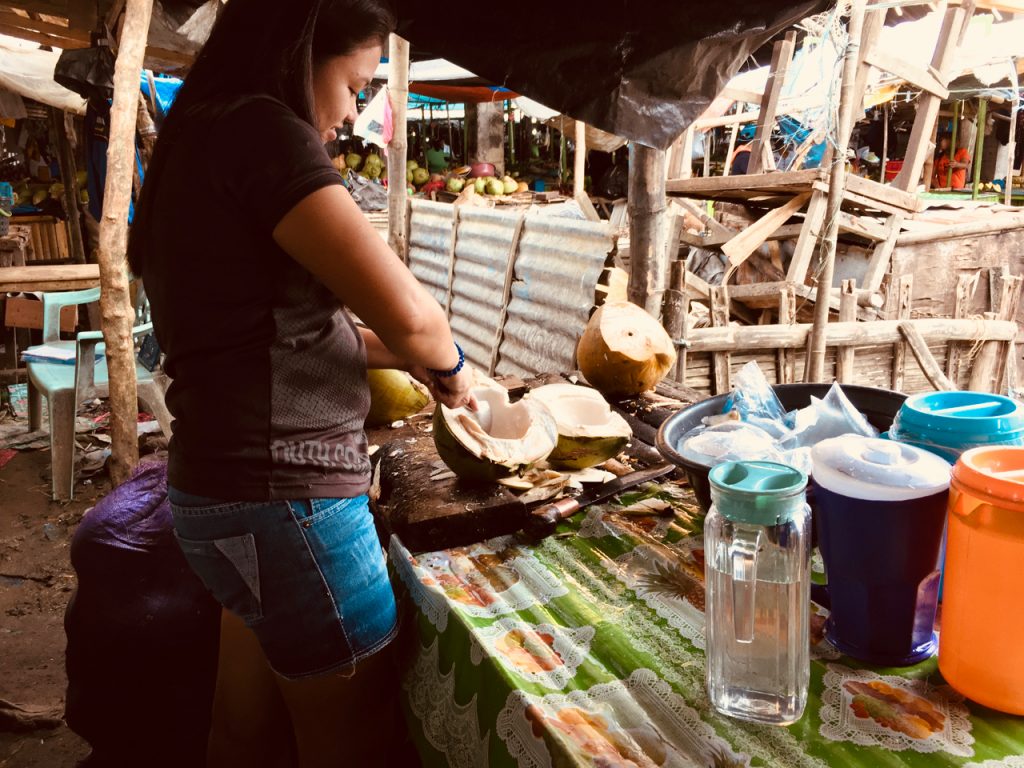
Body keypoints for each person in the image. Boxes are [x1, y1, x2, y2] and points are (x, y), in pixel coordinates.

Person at [126, 2, 477, 767]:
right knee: (351, 743)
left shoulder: (199, 132)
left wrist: (411, 362)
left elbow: (273, 330)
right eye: (356, 83)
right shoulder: (263, 131)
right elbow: (418, 317)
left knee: (243, 731)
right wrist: (449, 365)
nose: (353, 111)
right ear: (302, 51)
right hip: (295, 505)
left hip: (216, 496)